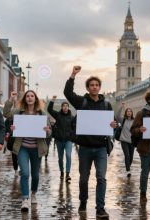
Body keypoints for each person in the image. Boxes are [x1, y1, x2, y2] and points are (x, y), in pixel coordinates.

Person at [64, 65, 117, 219]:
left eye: (97, 85)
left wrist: (114, 125)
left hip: (101, 148)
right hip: (85, 148)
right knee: (83, 178)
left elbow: (112, 124)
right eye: (91, 85)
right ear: (88, 88)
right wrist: (73, 75)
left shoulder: (106, 105)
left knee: (101, 178)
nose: (94, 87)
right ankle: (83, 201)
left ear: (100, 87)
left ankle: (100, 208)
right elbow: (67, 93)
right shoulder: (82, 102)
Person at [3, 90, 51, 212]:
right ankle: (25, 199)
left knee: (35, 175)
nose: (30, 98)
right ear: (25, 99)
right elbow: (6, 113)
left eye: (32, 96)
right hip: (22, 147)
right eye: (28, 96)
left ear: (35, 98)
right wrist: (10, 100)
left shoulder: (42, 113)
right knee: (24, 173)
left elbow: (50, 132)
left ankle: (33, 193)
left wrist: (47, 130)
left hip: (37, 148)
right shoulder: (19, 111)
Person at [47, 95, 74, 182]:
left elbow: (75, 127)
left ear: (68, 107)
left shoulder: (72, 117)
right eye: (64, 106)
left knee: (68, 156)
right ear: (62, 107)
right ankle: (62, 172)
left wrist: (72, 136)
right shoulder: (58, 115)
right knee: (60, 158)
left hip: (68, 140)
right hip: (59, 140)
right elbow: (49, 110)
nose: (65, 107)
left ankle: (67, 174)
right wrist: (52, 100)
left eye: (67, 106)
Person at [115, 102, 135, 177]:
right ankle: (128, 170)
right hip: (124, 140)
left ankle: (128, 166)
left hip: (132, 141)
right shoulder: (123, 120)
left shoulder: (134, 120)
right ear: (126, 113)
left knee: (131, 156)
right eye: (127, 111)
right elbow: (117, 116)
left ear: (132, 113)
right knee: (127, 155)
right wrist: (121, 107)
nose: (129, 113)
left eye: (130, 111)